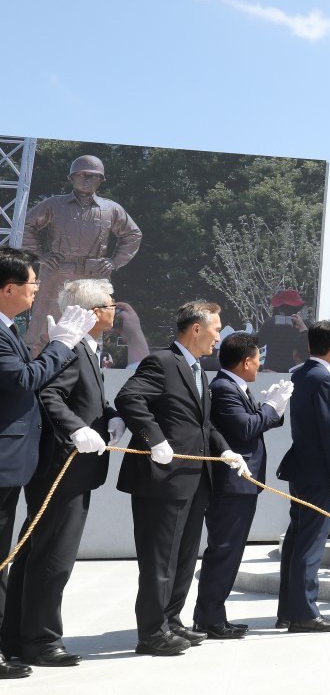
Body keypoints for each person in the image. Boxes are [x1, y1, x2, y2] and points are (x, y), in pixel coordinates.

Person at [115, 301, 248, 657]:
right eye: (216, 329)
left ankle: (171, 621)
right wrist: (154, 439)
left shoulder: (197, 370)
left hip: (193, 480)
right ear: (196, 329)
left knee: (184, 558)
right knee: (160, 560)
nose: (219, 337)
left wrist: (224, 450)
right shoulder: (162, 361)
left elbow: (203, 424)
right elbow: (129, 398)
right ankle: (152, 633)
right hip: (162, 480)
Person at [0, 252, 95, 679]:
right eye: (32, 283)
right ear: (8, 288)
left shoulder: (10, 329)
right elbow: (26, 381)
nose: (37, 290)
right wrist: (61, 346)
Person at [192, 333, 292, 639]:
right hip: (231, 484)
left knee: (230, 550)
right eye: (258, 359)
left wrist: (274, 408)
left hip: (243, 483)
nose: (260, 365)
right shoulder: (223, 388)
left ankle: (213, 615)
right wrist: (271, 407)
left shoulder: (236, 386)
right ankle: (209, 618)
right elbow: (246, 427)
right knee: (224, 550)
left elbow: (257, 421)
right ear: (246, 361)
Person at [20, 155, 142, 354]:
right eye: (81, 175)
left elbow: (133, 234)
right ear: (71, 178)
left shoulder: (110, 209)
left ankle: (86, 375)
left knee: (93, 328)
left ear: (101, 180)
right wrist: (39, 255)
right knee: (43, 327)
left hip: (93, 278)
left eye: (93, 176)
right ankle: (32, 373)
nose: (87, 179)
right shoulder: (54, 205)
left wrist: (114, 262)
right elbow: (26, 225)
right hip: (56, 273)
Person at [275, 321, 330, 633]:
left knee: (296, 539)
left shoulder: (301, 374)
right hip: (321, 472)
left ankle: (288, 611)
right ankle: (304, 612)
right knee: (310, 542)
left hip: (301, 468)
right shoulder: (325, 379)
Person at [257, 289, 309, 373]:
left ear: (280, 308)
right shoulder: (306, 325)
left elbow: (256, 344)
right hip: (297, 373)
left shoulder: (270, 322)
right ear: (298, 308)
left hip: (270, 372)